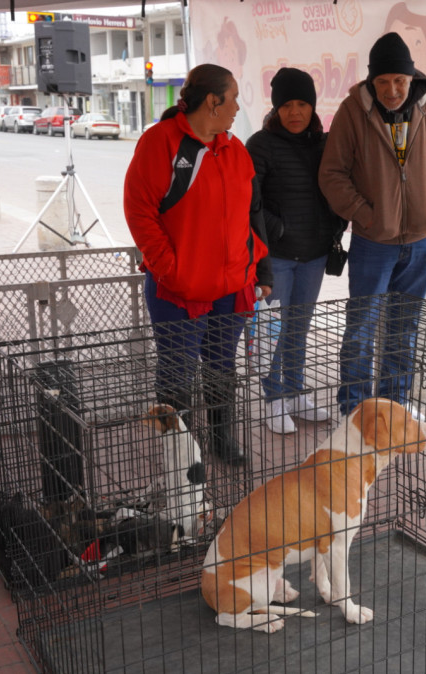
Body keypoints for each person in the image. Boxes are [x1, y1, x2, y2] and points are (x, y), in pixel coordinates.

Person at [124, 63, 272, 465]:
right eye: (234, 97)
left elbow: (249, 213)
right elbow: (140, 213)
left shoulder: (235, 148)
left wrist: (258, 268)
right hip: (178, 289)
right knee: (177, 373)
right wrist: (170, 268)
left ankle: (221, 439)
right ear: (213, 101)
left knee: (222, 369)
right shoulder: (160, 143)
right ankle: (181, 454)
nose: (238, 106)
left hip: (230, 286)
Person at [319, 32, 426, 417]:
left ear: (411, 78)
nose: (392, 91)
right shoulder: (353, 111)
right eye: (382, 82)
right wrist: (367, 215)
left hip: (421, 242)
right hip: (372, 242)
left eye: (399, 81)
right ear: (371, 82)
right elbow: (332, 174)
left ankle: (394, 405)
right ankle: (353, 406)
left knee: (404, 330)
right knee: (361, 329)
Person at [246, 67, 344, 434]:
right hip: (277, 257)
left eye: (302, 103)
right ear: (276, 109)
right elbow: (250, 203)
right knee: (273, 329)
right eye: (286, 105)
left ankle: (295, 391)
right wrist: (280, 229)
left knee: (299, 328)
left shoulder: (324, 142)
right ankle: (273, 399)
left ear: (313, 106)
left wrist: (335, 226)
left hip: (314, 254)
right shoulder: (259, 144)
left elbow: (337, 187)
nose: (295, 112)